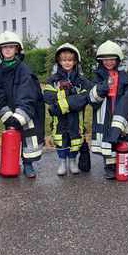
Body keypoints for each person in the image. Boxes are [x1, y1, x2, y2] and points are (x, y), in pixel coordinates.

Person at [0, 31, 45, 178]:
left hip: (26, 111)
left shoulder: (24, 70)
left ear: (17, 49)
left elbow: (27, 94)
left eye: (11, 46)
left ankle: (28, 164)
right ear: (0, 51)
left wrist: (18, 117)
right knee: (12, 138)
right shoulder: (0, 71)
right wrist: (7, 115)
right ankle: (9, 163)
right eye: (4, 47)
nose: (8, 49)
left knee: (29, 137)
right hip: (10, 111)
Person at [87, 40, 128, 179]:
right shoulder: (98, 77)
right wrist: (101, 88)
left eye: (112, 59)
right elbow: (91, 98)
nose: (109, 62)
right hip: (104, 115)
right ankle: (108, 166)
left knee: (119, 137)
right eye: (105, 59)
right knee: (107, 140)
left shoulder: (124, 76)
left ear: (117, 59)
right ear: (101, 61)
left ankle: (118, 165)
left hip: (119, 113)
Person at [44, 43, 90, 176]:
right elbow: (48, 97)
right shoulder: (53, 80)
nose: (67, 63)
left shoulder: (82, 80)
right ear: (59, 61)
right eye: (64, 60)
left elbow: (84, 99)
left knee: (75, 141)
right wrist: (70, 94)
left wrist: (62, 101)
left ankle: (73, 163)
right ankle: (62, 164)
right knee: (60, 141)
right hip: (60, 119)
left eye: (70, 60)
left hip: (76, 118)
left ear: (75, 61)